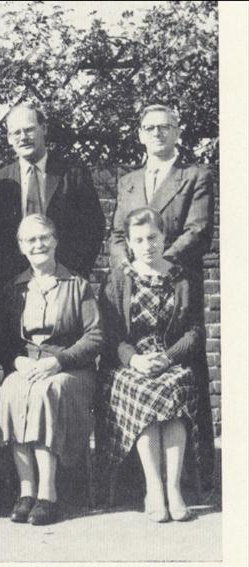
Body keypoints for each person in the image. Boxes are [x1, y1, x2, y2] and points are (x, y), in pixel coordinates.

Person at [108, 104, 215, 490]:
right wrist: (128, 266)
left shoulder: (195, 175)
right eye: (149, 128)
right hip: (134, 281)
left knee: (185, 372)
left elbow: (198, 230)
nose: (157, 134)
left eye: (165, 127)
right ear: (140, 134)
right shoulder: (129, 180)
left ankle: (191, 476)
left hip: (177, 280)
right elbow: (118, 234)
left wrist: (157, 263)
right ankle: (138, 479)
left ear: (177, 132)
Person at [0, 214, 103, 525]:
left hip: (69, 369)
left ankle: (48, 493)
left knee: (44, 391)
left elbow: (95, 336)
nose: (38, 244)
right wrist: (19, 361)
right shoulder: (14, 288)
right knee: (12, 390)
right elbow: (3, 339)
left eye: (44, 237)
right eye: (30, 240)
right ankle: (26, 491)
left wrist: (59, 361)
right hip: (27, 366)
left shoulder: (77, 285)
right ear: (20, 247)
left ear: (55, 241)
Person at [99, 207, 205, 522]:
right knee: (145, 390)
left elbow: (195, 331)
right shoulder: (118, 278)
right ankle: (154, 487)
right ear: (129, 243)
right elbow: (112, 335)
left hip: (171, 357)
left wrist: (168, 357)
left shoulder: (184, 277)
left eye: (153, 237)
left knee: (173, 386)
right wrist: (135, 359)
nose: (148, 246)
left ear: (164, 236)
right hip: (129, 363)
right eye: (139, 240)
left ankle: (174, 489)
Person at [0, 103, 104, 281]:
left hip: (66, 278)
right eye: (16, 133)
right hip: (14, 282)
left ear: (44, 129)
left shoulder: (73, 174)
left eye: (29, 130)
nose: (23, 137)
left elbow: (94, 227)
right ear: (9, 138)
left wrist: (77, 272)